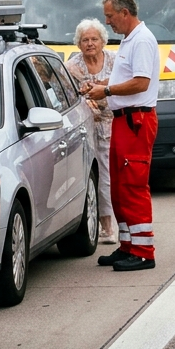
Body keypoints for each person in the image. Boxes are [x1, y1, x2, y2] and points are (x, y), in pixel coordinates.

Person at [80, 0, 160, 272]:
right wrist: (101, 85)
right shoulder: (130, 39)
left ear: (125, 13)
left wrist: (107, 91)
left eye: (110, 16)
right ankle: (128, 245)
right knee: (120, 186)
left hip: (136, 120)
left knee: (133, 185)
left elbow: (140, 82)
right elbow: (124, 78)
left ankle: (143, 251)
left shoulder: (142, 40)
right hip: (124, 119)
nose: (108, 22)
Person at [66, 19, 117, 243]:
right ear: (78, 44)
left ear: (103, 41)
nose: (90, 43)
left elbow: (124, 85)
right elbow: (65, 97)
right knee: (88, 175)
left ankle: (111, 225)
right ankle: (93, 224)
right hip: (83, 127)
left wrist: (103, 89)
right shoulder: (71, 66)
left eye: (94, 39)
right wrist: (83, 98)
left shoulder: (115, 61)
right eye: (85, 40)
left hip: (112, 124)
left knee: (109, 176)